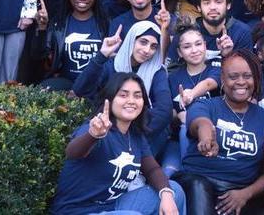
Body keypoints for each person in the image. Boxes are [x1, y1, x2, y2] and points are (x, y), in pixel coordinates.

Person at [50, 73, 186, 215]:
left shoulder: (135, 135)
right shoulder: (96, 128)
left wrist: (166, 194)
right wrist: (93, 136)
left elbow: (152, 170)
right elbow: (73, 153)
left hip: (112, 206)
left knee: (173, 190)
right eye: (123, 95)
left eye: (137, 96)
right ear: (109, 99)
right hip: (77, 211)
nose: (131, 101)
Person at [173, 49, 264, 214]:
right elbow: (200, 122)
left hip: (242, 191)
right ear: (222, 80)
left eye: (247, 76)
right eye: (233, 77)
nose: (241, 82)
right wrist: (207, 138)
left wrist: (245, 194)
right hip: (199, 182)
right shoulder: (205, 105)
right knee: (198, 187)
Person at [73, 21, 173, 155]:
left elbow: (164, 110)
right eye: (143, 42)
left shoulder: (157, 71)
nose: (147, 50)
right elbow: (80, 90)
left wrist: (131, 135)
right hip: (107, 126)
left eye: (154, 46)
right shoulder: (111, 64)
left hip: (142, 131)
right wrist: (101, 55)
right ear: (132, 40)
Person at [163, 18, 221, 176]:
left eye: (198, 44)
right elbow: (169, 113)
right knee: (168, 174)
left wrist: (191, 94)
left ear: (205, 45)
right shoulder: (173, 78)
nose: (194, 50)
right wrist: (180, 116)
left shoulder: (216, 67)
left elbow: (210, 83)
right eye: (187, 47)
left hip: (214, 134)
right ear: (180, 53)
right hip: (180, 140)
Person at [39, 0, 108, 91]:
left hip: (97, 84)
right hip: (66, 82)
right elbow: (41, 56)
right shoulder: (58, 24)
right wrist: (41, 28)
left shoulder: (106, 24)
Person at [167, 0, 253, 63]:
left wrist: (228, 56)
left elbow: (246, 71)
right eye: (206, 3)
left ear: (228, 5)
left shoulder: (242, 32)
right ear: (198, 7)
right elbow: (171, 70)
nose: (213, 7)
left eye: (218, 2)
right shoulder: (185, 33)